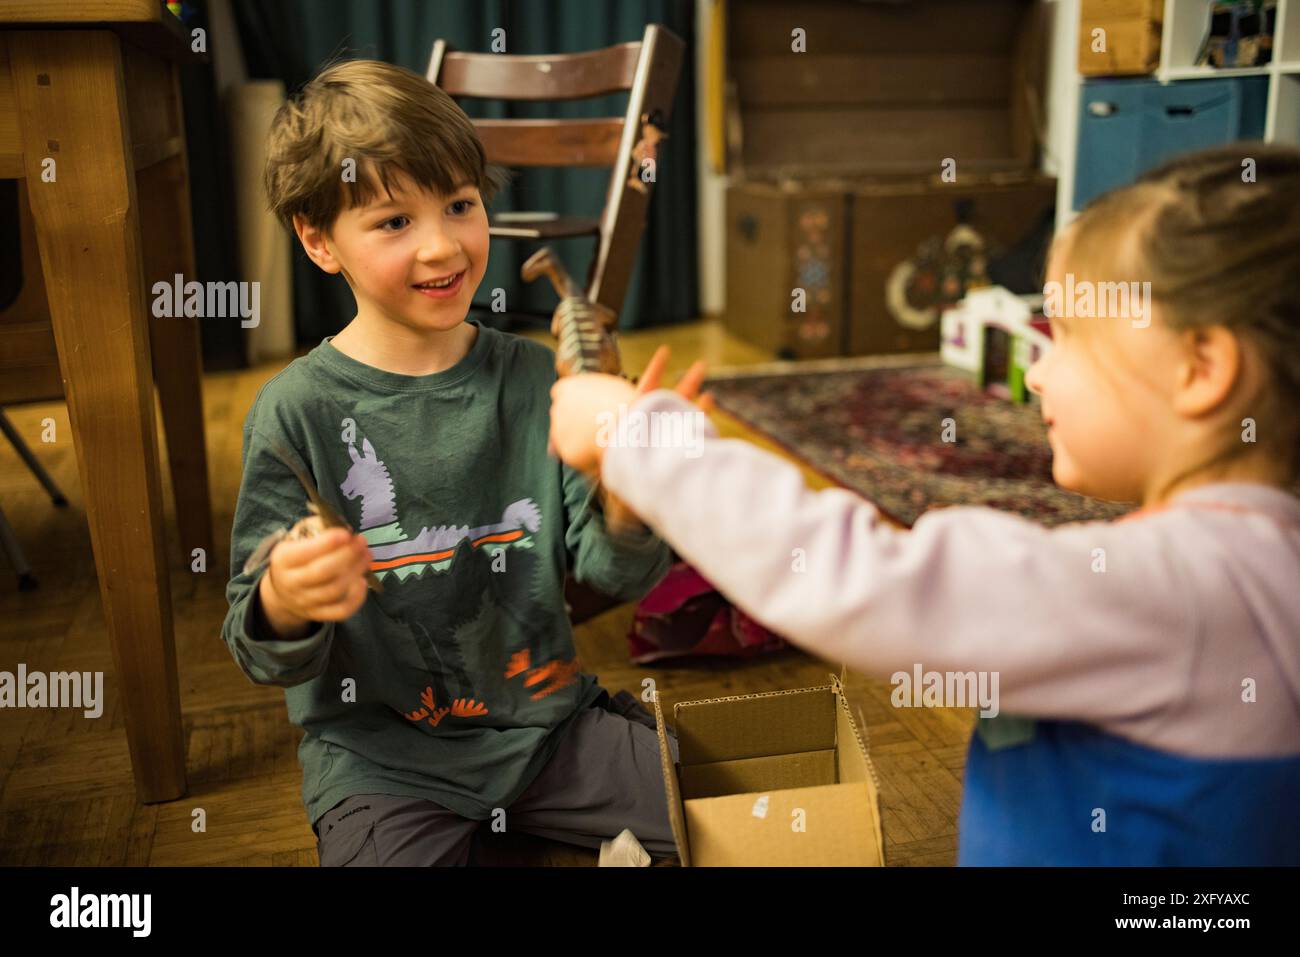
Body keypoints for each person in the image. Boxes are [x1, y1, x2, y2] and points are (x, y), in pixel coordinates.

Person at [548, 144, 1300, 865]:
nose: (1037, 376)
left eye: (1067, 337)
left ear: (1200, 368)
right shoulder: (1257, 565)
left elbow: (873, 581)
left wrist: (637, 437)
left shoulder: (1176, 590)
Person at [221, 59, 676, 866]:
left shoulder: (539, 380)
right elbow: (255, 645)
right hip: (385, 764)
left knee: (743, 819)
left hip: (550, 729)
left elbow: (616, 573)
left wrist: (627, 487)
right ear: (320, 240)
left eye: (460, 205)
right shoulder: (295, 413)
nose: (443, 245)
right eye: (394, 221)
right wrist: (285, 597)